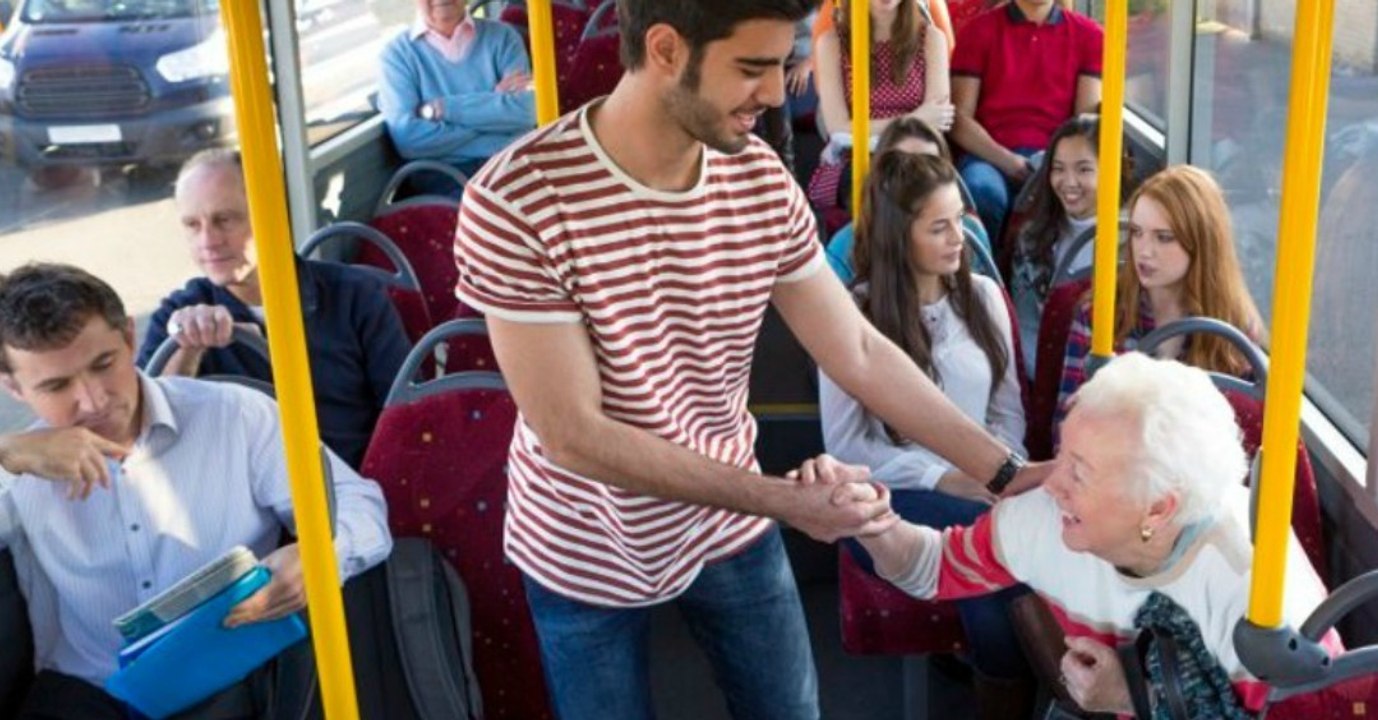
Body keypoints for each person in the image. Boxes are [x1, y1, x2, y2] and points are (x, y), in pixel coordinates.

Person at [451, 1, 1047, 717]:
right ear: (667, 50)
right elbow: (574, 433)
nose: (774, 94)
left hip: (728, 519)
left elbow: (855, 347)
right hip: (586, 539)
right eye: (752, 68)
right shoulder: (517, 199)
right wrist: (784, 502)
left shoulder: (758, 180)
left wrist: (1005, 473)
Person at [0, 264, 393, 720]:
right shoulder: (16, 472)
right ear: (13, 387)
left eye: (103, 365)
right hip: (89, 692)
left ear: (130, 338)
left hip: (233, 680)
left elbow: (360, 505)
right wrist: (7, 451)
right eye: (56, 386)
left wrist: (322, 554)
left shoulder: (235, 416)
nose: (93, 401)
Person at [846, 352, 1335, 716]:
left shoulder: (1260, 596)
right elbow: (934, 567)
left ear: (1159, 507)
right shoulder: (1045, 516)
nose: (1049, 482)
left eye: (1078, 472)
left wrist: (1137, 697)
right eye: (1062, 455)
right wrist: (870, 523)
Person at [819, 151, 1033, 717]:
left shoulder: (984, 297)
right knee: (990, 553)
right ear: (898, 235)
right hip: (894, 498)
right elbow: (847, 448)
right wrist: (947, 476)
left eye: (961, 219)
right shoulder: (852, 316)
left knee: (998, 539)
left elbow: (1008, 411)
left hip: (988, 483)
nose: (959, 237)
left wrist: (1000, 473)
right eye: (939, 226)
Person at [136, 149, 410, 469]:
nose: (208, 240)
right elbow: (145, 435)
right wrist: (187, 351)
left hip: (347, 489)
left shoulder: (355, 298)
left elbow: (406, 419)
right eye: (192, 225)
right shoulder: (179, 316)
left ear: (272, 214)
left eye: (224, 220)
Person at [1056, 165, 1266, 427]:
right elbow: (1065, 427)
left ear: (1201, 243)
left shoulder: (1234, 332)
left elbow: (1243, 433)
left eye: (1163, 238)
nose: (1144, 251)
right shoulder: (1100, 313)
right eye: (1136, 233)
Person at [950, 0, 1103, 240]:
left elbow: (1084, 125)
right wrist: (1009, 161)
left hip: (1055, 157)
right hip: (989, 155)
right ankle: (981, 274)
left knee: (1066, 194)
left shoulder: (1090, 36)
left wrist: (1054, 164)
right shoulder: (978, 31)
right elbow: (959, 120)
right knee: (982, 191)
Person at [808, 0, 953, 217]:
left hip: (917, 153)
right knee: (880, 190)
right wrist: (916, 118)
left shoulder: (931, 39)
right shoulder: (831, 43)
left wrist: (866, 128)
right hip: (856, 156)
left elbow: (937, 122)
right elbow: (837, 128)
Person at [378, 0, 536, 180]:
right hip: (445, 172)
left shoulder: (504, 37)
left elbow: (527, 112)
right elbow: (409, 139)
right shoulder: (396, 56)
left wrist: (443, 109)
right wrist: (493, 107)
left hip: (509, 160)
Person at [824, 116, 993, 283]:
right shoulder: (846, 246)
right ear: (883, 176)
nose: (918, 178)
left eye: (931, 165)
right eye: (903, 168)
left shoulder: (971, 234)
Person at [1009, 113, 1106, 375]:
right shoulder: (1032, 238)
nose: (1069, 182)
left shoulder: (1133, 239)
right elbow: (1026, 324)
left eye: (1084, 169)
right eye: (1059, 169)